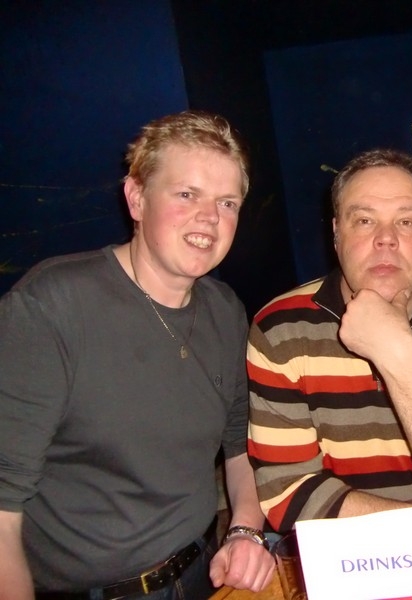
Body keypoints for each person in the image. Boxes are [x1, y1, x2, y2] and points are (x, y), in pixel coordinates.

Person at [0, 111, 276, 598]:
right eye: (186, 194)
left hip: (201, 573)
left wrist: (245, 531)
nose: (210, 217)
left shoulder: (225, 310)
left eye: (227, 202)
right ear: (136, 198)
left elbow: (239, 448)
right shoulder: (51, 305)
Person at [246, 148, 412, 533]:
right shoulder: (280, 328)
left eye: (406, 221)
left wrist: (396, 350)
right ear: (336, 232)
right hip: (346, 554)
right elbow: (286, 495)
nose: (386, 239)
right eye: (364, 220)